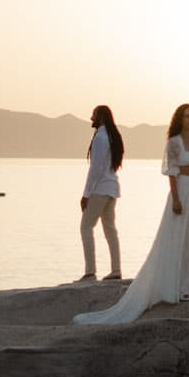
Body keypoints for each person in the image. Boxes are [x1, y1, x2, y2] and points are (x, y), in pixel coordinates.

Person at [76, 103, 189, 327]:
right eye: (187, 116)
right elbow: (172, 172)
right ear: (179, 119)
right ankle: (162, 282)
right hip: (175, 190)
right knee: (173, 236)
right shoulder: (171, 142)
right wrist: (176, 198)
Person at [79, 103, 124, 283]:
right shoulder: (113, 137)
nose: (91, 118)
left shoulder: (100, 138)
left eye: (94, 114)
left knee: (86, 227)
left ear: (101, 117)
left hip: (100, 189)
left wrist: (86, 194)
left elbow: (96, 169)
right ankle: (116, 270)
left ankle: (90, 272)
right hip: (112, 188)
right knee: (110, 230)